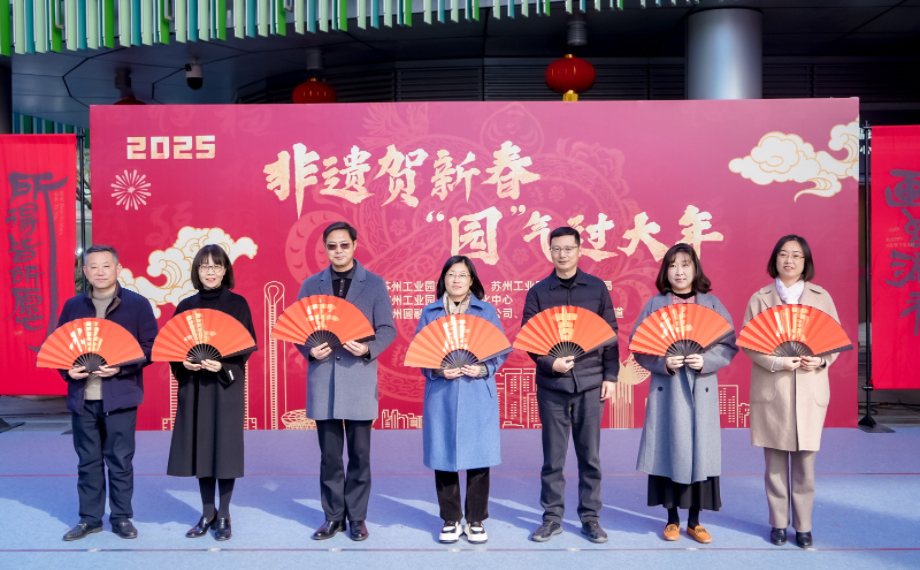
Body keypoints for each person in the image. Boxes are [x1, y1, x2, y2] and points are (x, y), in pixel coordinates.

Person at [631, 243, 738, 544]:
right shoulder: (655, 305)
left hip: (701, 387)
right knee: (669, 450)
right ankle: (672, 519)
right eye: (673, 265)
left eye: (685, 264)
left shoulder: (712, 304)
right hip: (668, 388)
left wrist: (706, 360)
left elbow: (728, 344)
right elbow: (639, 346)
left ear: (695, 269)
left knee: (700, 453)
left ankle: (695, 521)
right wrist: (662, 363)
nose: (679, 271)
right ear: (665, 271)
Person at [296, 221, 396, 542]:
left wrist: (368, 348)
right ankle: (333, 517)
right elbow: (298, 328)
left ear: (354, 245)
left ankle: (357, 518)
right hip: (323, 379)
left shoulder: (374, 284)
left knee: (360, 455)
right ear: (325, 249)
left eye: (344, 245)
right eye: (332, 246)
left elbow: (387, 329)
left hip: (359, 380)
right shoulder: (311, 285)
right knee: (329, 456)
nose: (338, 251)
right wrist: (310, 350)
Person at [521, 226, 620, 544]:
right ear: (549, 252)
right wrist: (550, 363)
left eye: (568, 248)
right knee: (553, 457)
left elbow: (610, 335)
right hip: (552, 386)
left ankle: (590, 518)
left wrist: (611, 376)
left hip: (590, 383)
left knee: (590, 456)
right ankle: (552, 517)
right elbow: (530, 338)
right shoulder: (538, 292)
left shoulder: (596, 288)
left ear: (579, 250)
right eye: (556, 249)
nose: (562, 254)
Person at [742, 235, 840, 549]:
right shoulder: (760, 298)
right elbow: (750, 343)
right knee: (774, 466)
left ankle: (804, 527)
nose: (789, 260)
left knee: (805, 466)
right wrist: (777, 362)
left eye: (797, 255)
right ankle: (778, 523)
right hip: (773, 390)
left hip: (810, 390)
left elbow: (834, 340)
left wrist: (821, 360)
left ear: (805, 262)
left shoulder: (821, 297)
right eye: (783, 254)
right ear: (775, 259)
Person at [57, 245, 158, 541]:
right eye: (93, 267)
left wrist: (121, 367)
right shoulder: (73, 306)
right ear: (84, 271)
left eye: (106, 266)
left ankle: (121, 517)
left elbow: (151, 347)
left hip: (120, 397)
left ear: (118, 269)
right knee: (87, 461)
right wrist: (68, 371)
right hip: (82, 398)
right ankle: (89, 519)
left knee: (120, 460)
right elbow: (59, 347)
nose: (100, 272)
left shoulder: (137, 305)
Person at [414, 256, 509, 544]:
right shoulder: (430, 312)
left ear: (472, 280)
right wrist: (437, 370)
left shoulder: (486, 311)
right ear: (443, 279)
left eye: (462, 275)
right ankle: (451, 518)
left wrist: (484, 369)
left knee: (479, 457)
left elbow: (500, 350)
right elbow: (421, 352)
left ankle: (476, 519)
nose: (456, 280)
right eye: (451, 274)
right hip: (441, 393)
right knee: (443, 456)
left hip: (477, 392)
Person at [166, 244, 257, 542]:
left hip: (225, 386)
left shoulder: (238, 304)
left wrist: (223, 365)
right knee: (202, 448)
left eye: (216, 266)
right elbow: (174, 348)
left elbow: (246, 346)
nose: (211, 271)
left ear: (225, 270)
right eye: (205, 266)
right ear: (197, 270)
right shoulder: (186, 306)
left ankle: (225, 513)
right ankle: (208, 513)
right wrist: (183, 364)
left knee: (225, 449)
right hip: (194, 387)